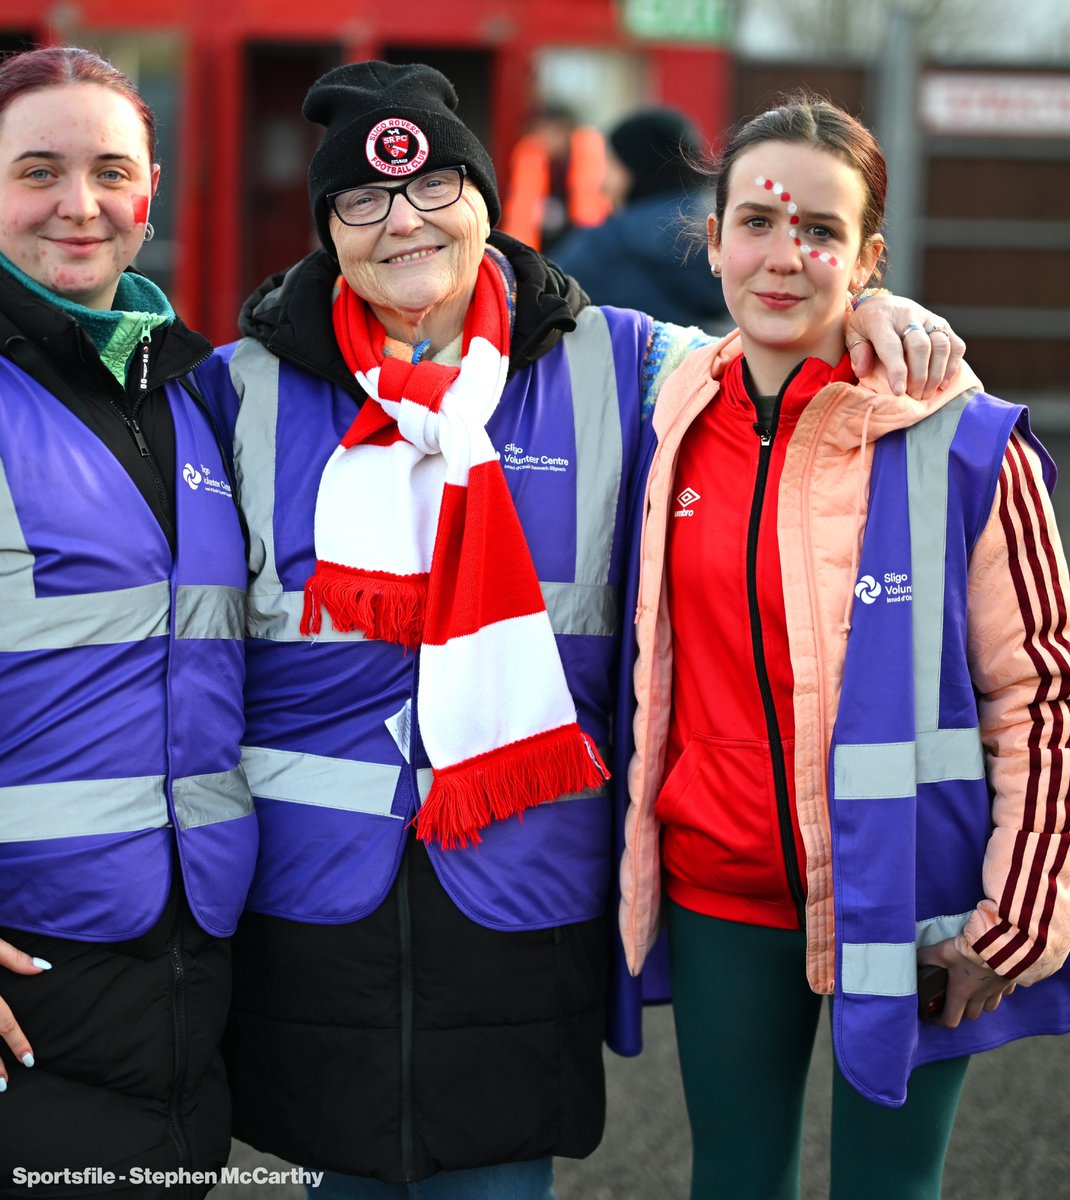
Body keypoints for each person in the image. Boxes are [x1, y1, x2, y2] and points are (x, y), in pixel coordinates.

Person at [195, 60, 967, 1199]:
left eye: (433, 187)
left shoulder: (625, 361)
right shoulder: (241, 387)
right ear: (328, 233)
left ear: (483, 200)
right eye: (361, 201)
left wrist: (871, 313)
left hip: (522, 893)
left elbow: (771, 350)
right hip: (318, 910)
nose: (402, 222)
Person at [617, 92, 1070, 1199]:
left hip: (914, 900)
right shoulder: (666, 410)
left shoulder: (970, 443)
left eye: (821, 231)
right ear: (713, 240)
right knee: (734, 1180)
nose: (784, 257)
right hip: (722, 892)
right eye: (758, 222)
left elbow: (1045, 690)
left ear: (868, 257)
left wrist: (1021, 914)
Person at [0, 46, 256, 1187]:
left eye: (111, 170)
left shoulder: (195, 394)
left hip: (183, 980)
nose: (79, 204)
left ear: (150, 194)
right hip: (30, 975)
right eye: (36, 171)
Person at [554, 105, 728, 332]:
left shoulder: (606, 244)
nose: (603, 183)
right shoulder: (731, 229)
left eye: (612, 165)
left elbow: (542, 294)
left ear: (636, 168)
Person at [499, 103, 609, 254]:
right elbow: (521, 215)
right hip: (544, 253)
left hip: (582, 249)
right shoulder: (534, 159)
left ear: (561, 129)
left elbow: (596, 214)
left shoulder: (590, 159)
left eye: (542, 132)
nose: (538, 139)